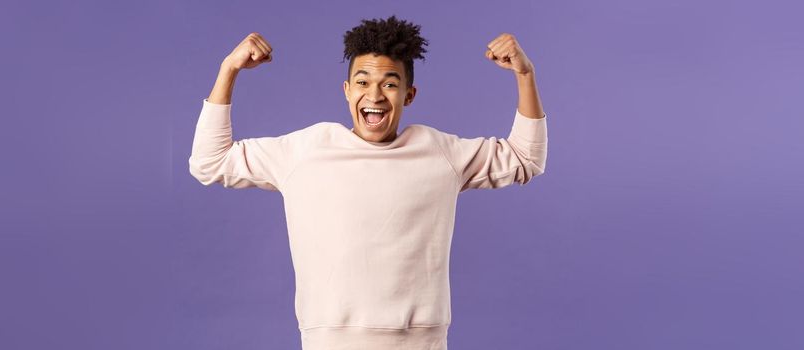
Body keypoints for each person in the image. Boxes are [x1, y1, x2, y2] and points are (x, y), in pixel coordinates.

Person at [189, 15, 547, 350]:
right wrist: (229, 69)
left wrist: (525, 74)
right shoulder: (305, 150)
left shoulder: (440, 152)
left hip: (419, 342)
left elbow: (525, 158)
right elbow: (210, 162)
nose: (374, 96)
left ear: (409, 95)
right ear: (346, 90)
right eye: (363, 82)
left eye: (389, 84)